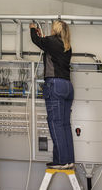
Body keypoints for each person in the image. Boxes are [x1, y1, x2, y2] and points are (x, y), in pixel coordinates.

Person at [30, 20, 75, 169]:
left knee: (55, 123)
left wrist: (32, 29)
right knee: (64, 125)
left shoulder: (51, 41)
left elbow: (36, 40)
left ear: (55, 29)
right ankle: (68, 159)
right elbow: (44, 44)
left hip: (55, 85)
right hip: (68, 87)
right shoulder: (67, 46)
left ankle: (61, 161)